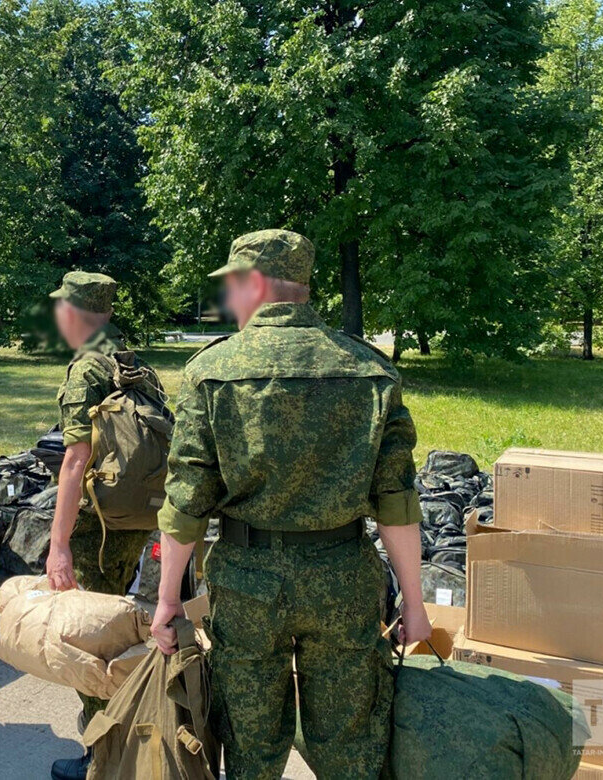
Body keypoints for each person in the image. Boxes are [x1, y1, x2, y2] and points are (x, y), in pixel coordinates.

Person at [150, 229, 430, 780]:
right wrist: (415, 603)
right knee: (351, 741)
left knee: (250, 745)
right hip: (343, 579)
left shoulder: (211, 372)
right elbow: (396, 500)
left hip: (247, 583)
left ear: (253, 285)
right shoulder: (369, 369)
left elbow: (186, 500)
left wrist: (168, 601)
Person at [45, 271, 163, 780]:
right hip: (136, 517)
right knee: (119, 633)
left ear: (73, 313)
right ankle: (127, 745)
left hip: (97, 527)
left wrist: (58, 545)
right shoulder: (135, 366)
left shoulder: (85, 371)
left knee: (90, 643)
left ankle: (101, 761)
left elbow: (75, 460)